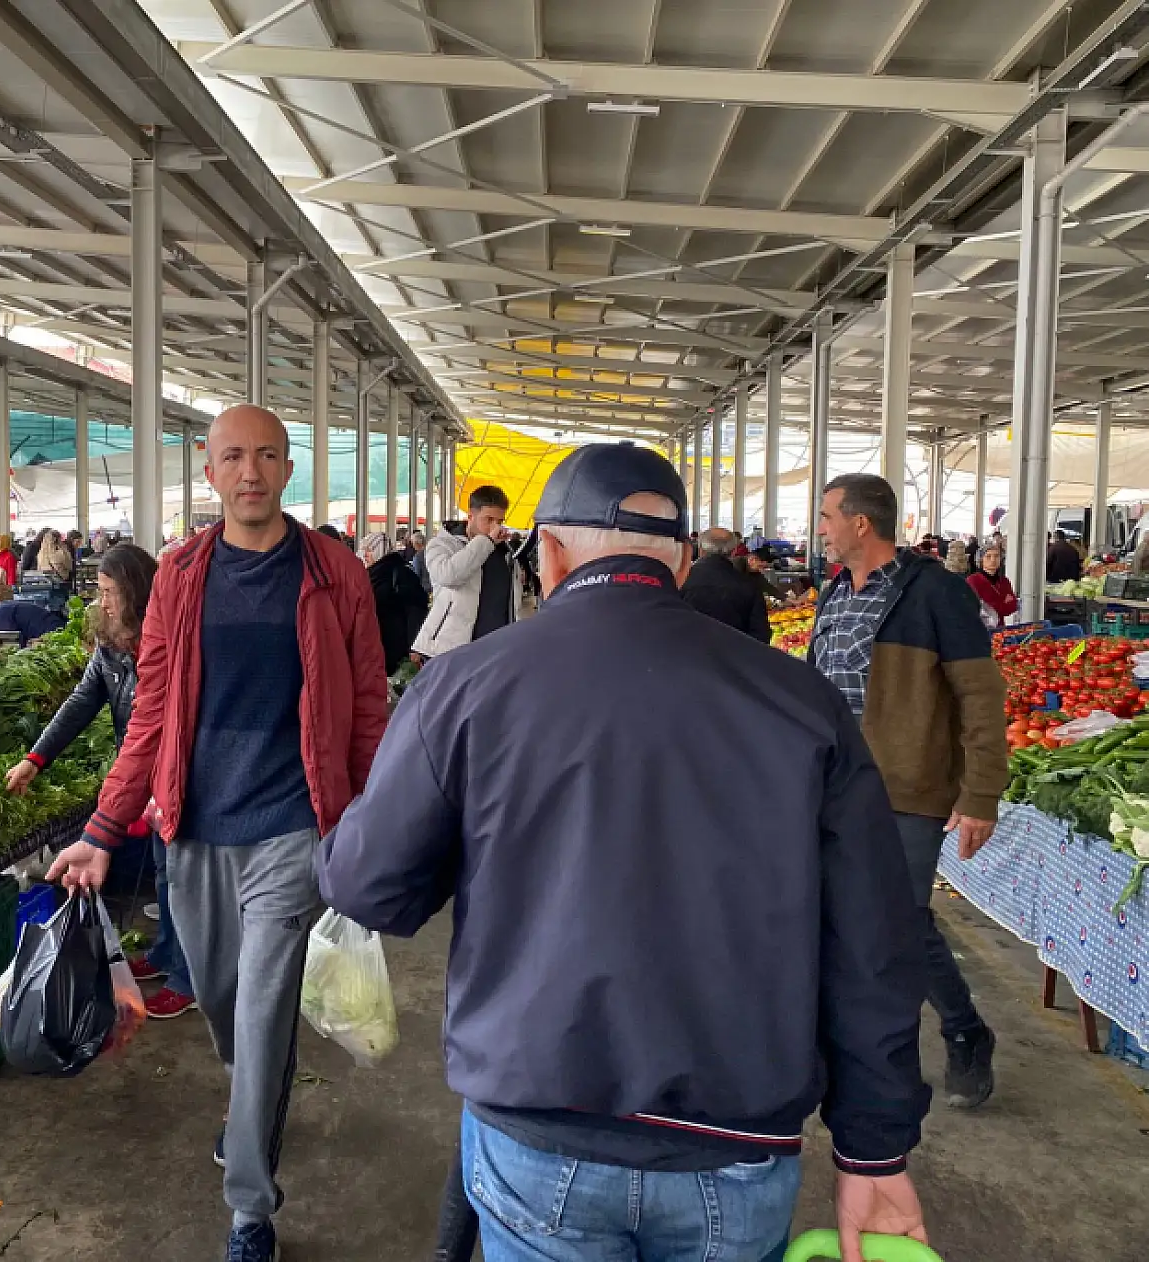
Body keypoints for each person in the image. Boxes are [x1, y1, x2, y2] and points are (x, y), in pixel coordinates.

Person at [320, 445, 932, 1262]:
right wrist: (874, 1151)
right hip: (736, 1140)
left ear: (548, 553)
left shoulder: (465, 687)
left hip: (539, 1122)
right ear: (678, 563)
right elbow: (873, 940)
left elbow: (370, 887)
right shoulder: (800, 702)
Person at [45, 404, 387, 1262]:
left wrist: (370, 820)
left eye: (267, 455)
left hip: (292, 826)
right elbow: (152, 711)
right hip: (193, 829)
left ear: (288, 469)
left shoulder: (335, 573)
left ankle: (249, 1211)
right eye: (233, 456)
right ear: (209, 473)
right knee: (225, 1007)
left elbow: (366, 704)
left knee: (264, 1013)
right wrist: (104, 826)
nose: (251, 472)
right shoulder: (181, 574)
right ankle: (250, 1102)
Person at [812, 473, 1008, 1109]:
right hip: (833, 783)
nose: (820, 529)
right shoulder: (835, 591)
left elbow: (981, 696)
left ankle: (963, 1030)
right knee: (837, 912)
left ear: (860, 523)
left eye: (827, 517)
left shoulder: (935, 592)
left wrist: (981, 793)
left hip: (906, 788)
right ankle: (844, 1043)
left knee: (899, 921)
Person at [5, 544, 196, 1019]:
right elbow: (82, 700)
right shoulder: (110, 643)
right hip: (141, 773)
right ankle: (166, 952)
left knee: (183, 877)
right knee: (164, 872)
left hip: (176, 775)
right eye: (101, 591)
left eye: (110, 592)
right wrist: (36, 758)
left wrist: (156, 785)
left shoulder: (168, 641)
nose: (102, 601)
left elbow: (171, 721)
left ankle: (188, 979)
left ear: (136, 591)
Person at [412, 485, 521, 658]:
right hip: (451, 649)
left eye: (499, 522)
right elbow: (448, 576)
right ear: (470, 516)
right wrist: (486, 542)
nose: (495, 527)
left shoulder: (504, 553)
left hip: (495, 648)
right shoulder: (442, 544)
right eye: (489, 520)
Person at [680, 526, 772, 642]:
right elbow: (761, 635)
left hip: (686, 650)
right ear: (733, 552)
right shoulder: (749, 586)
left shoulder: (680, 581)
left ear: (700, 550)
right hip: (734, 651)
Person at [359, 531, 430, 675]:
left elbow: (416, 610)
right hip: (376, 641)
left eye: (370, 550)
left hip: (396, 643)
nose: (365, 555)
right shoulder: (370, 574)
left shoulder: (400, 573)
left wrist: (415, 647)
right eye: (365, 550)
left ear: (380, 550)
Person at [967, 542, 1019, 629]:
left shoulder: (1004, 581)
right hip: (979, 629)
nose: (993, 560)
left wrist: (991, 606)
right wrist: (1003, 603)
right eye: (988, 556)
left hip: (1000, 629)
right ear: (981, 559)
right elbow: (978, 609)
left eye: (996, 556)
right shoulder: (973, 581)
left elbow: (1013, 606)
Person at [409, 530, 432, 595]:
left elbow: (416, 575)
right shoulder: (430, 552)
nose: (413, 546)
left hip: (424, 588)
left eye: (413, 543)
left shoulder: (418, 556)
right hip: (433, 586)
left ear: (417, 543)